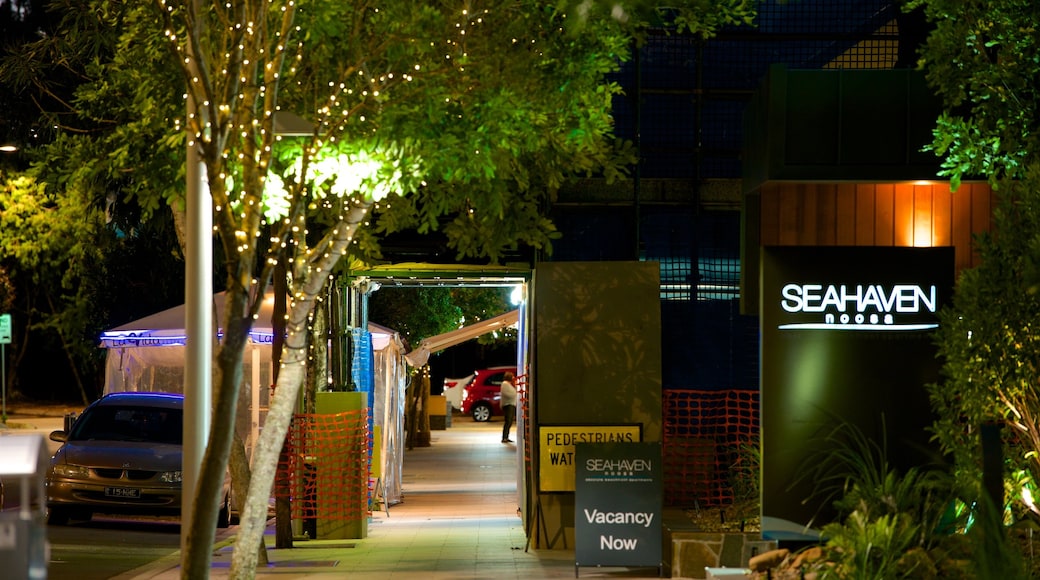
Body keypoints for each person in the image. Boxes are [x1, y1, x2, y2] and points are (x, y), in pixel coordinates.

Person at [500, 371, 517, 443]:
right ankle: (504, 437)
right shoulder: (505, 384)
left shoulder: (511, 384)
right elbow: (508, 394)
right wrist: (515, 393)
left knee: (510, 421)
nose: (513, 378)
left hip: (512, 404)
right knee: (508, 421)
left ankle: (506, 437)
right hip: (508, 404)